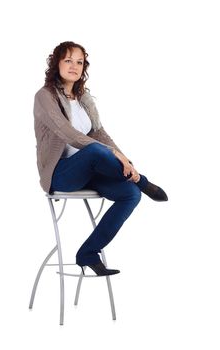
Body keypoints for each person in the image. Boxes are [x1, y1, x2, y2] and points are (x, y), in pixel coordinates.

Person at [33, 41, 168, 276]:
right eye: (68, 60)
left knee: (130, 194)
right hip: (60, 174)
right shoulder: (45, 96)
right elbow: (67, 132)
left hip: (89, 171)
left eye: (79, 62)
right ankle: (143, 182)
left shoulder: (83, 100)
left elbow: (101, 134)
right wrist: (113, 156)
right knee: (96, 151)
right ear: (56, 63)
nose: (74, 66)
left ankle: (88, 253)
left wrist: (127, 161)